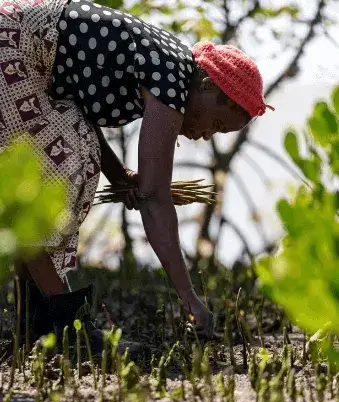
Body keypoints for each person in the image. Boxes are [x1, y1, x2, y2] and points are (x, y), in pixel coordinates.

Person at [1, 0, 274, 348]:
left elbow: (79, 117)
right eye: (216, 124)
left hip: (17, 39)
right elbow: (155, 198)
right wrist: (190, 298)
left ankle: (38, 325)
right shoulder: (172, 81)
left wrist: (122, 177)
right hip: (12, 48)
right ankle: (68, 329)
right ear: (205, 85)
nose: (206, 135)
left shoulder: (168, 66)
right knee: (58, 169)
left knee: (75, 144)